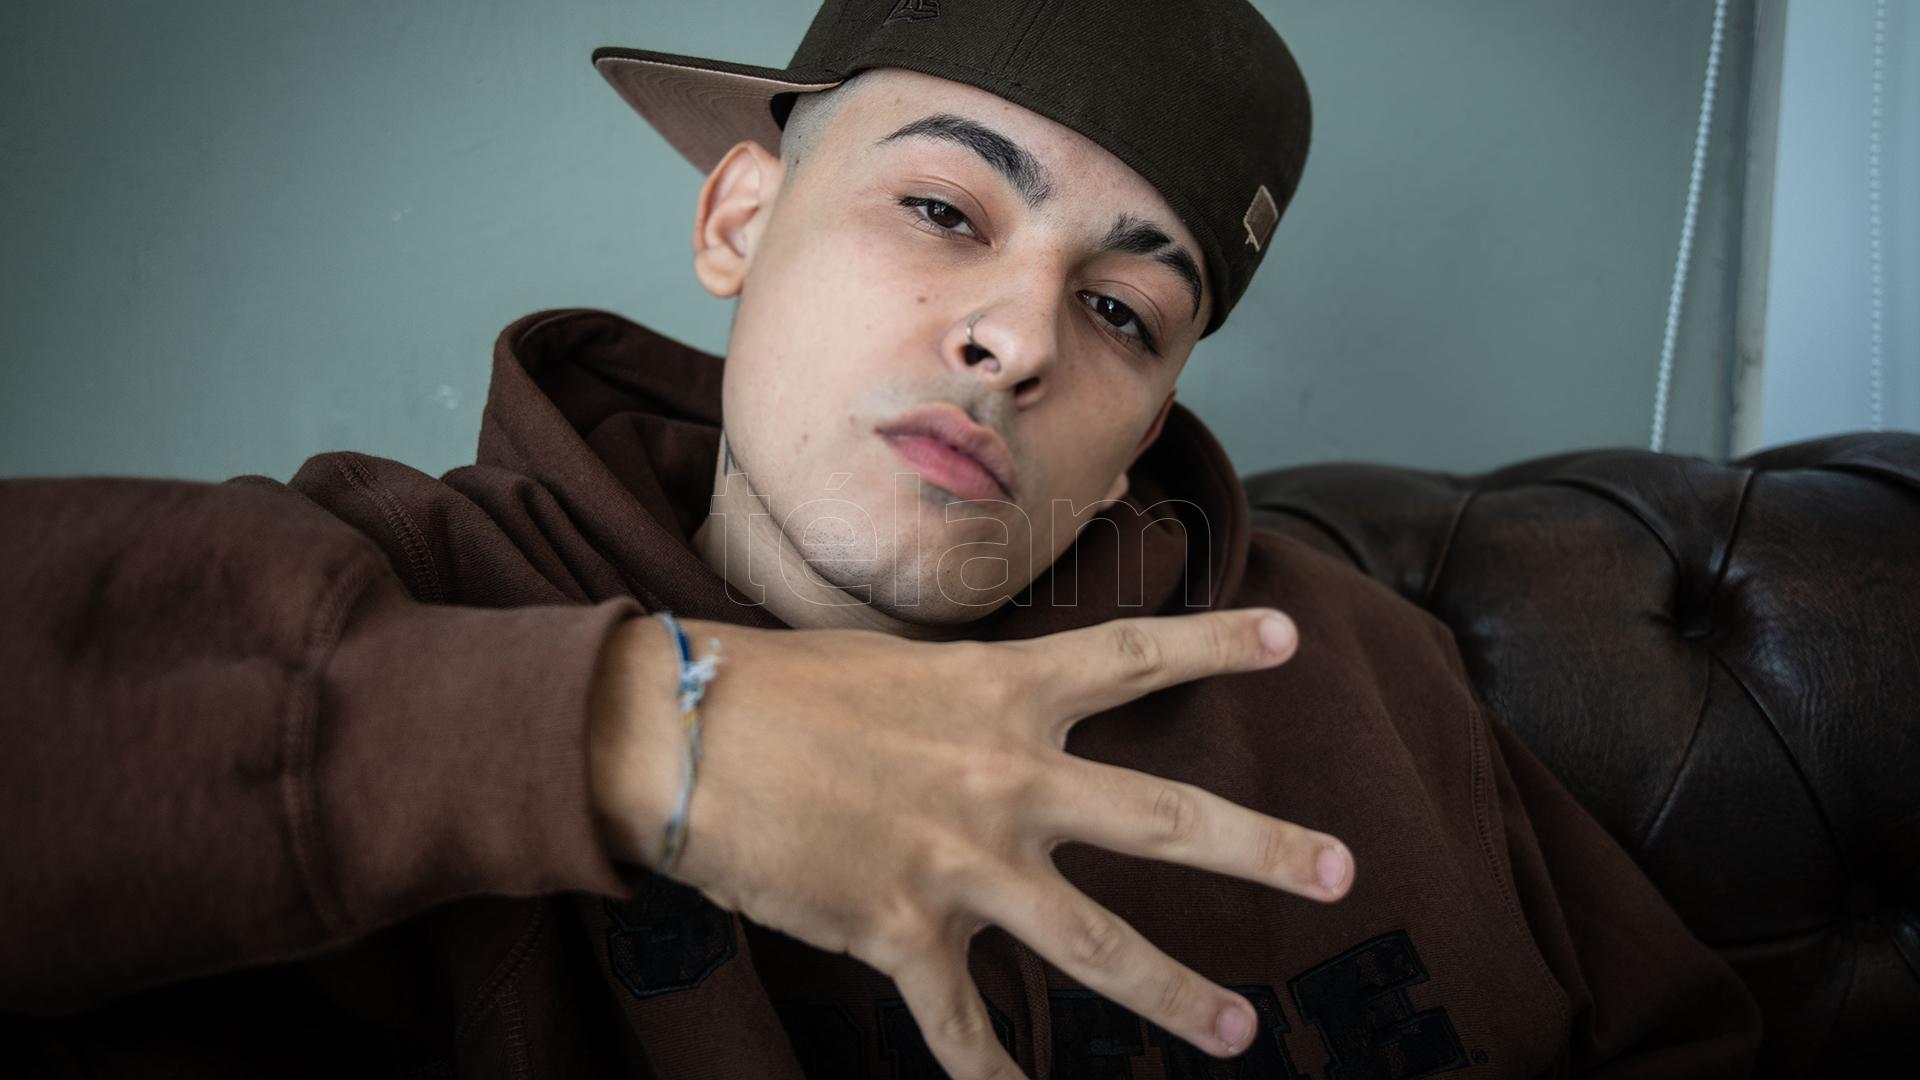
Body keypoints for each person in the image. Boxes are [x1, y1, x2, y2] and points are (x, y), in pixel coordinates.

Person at [1, 1, 1761, 1077]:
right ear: (739, 218)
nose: (1018, 338)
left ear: (1148, 424)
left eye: (1126, 313)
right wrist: (629, 731)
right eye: (941, 207)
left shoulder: (1352, 664)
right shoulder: (394, 593)